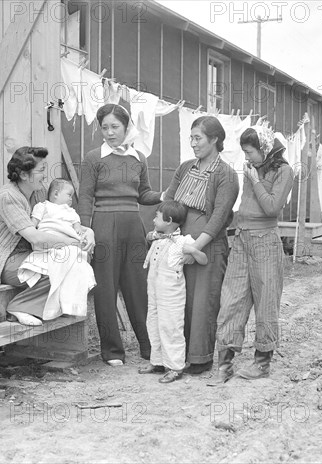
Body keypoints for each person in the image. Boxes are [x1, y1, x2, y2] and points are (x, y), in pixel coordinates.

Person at [209, 124, 294, 385]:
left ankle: (262, 362)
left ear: (264, 149)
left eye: (250, 152)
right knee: (232, 299)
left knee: (266, 300)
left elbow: (271, 208)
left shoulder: (284, 171)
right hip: (242, 239)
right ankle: (225, 364)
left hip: (265, 241)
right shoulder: (250, 169)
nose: (247, 158)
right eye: (244, 153)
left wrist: (256, 181)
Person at [78, 103, 162, 366]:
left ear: (126, 127)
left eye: (115, 127)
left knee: (139, 287)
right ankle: (113, 351)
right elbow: (85, 196)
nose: (110, 133)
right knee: (106, 289)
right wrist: (85, 228)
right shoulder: (94, 158)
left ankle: (150, 347)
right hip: (103, 227)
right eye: (105, 127)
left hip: (133, 226)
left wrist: (164, 196)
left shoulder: (139, 158)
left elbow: (144, 194)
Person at [0, 146, 95, 326]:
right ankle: (19, 306)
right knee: (59, 268)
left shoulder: (40, 192)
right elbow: (34, 237)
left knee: (75, 261)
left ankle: (58, 307)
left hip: (33, 255)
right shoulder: (8, 197)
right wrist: (73, 242)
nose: (45, 176)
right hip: (6, 260)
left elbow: (62, 217)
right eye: (41, 170)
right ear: (24, 175)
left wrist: (89, 232)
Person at [163, 116, 239, 375]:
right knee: (177, 299)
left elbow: (218, 216)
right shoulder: (186, 168)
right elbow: (170, 201)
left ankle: (200, 358)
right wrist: (169, 237)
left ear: (215, 139)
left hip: (208, 245)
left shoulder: (226, 175)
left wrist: (195, 247)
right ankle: (175, 354)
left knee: (202, 302)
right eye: (191, 138)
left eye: (199, 138)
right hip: (178, 241)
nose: (193, 144)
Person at [138, 200, 208, 383]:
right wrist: (153, 236)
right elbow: (148, 236)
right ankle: (158, 361)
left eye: (157, 217)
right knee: (153, 322)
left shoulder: (183, 241)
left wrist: (192, 250)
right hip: (153, 289)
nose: (153, 220)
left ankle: (175, 366)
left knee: (171, 327)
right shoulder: (158, 237)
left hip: (171, 295)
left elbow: (203, 260)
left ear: (168, 220)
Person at [18, 178, 96, 320]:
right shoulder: (43, 207)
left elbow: (77, 229)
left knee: (76, 263)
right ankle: (56, 306)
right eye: (68, 195)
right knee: (63, 262)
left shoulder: (71, 212)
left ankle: (68, 305)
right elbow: (33, 224)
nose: (71, 199)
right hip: (49, 238)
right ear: (55, 194)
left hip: (67, 240)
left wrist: (84, 233)